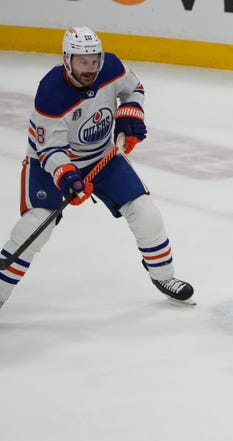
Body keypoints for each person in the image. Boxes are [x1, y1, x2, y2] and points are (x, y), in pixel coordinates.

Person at [0, 26, 194, 307]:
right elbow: (50, 149)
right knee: (34, 227)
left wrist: (130, 112)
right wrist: (67, 177)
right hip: (49, 162)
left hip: (103, 156)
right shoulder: (51, 95)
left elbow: (134, 88)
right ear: (67, 59)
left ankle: (163, 276)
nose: (91, 67)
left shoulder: (112, 67)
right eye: (83, 61)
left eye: (94, 60)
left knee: (145, 212)